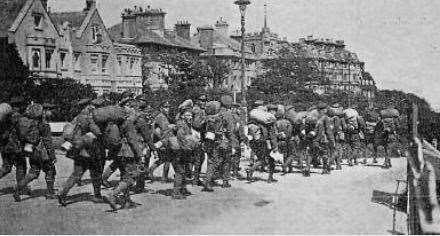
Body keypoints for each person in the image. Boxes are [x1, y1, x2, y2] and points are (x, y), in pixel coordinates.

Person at [56, 101, 104, 206]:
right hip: (90, 151)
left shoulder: (76, 118)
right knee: (96, 173)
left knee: (76, 174)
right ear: (87, 106)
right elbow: (97, 132)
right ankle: (97, 195)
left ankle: (63, 193)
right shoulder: (88, 118)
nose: (92, 107)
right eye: (90, 105)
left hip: (78, 150)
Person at [14, 103, 57, 202]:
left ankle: (17, 188)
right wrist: (52, 156)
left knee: (33, 172)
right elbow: (48, 142)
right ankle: (50, 193)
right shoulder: (44, 125)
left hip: (31, 150)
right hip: (43, 152)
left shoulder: (26, 123)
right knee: (50, 171)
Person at [202, 95, 236, 191]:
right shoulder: (227, 114)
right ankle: (224, 182)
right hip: (224, 142)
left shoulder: (214, 113)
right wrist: (233, 145)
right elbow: (230, 131)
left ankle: (208, 181)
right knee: (226, 161)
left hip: (212, 140)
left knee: (212, 161)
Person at [0, 98, 29, 194]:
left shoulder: (5, 116)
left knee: (6, 167)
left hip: (4, 146)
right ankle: (21, 188)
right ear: (20, 106)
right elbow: (22, 133)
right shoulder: (18, 117)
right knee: (21, 166)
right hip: (15, 147)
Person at [148, 101, 173, 182]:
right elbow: (162, 130)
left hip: (162, 141)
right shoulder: (161, 117)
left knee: (163, 159)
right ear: (161, 108)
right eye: (166, 107)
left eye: (168, 107)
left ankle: (150, 170)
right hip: (162, 141)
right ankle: (164, 178)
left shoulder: (164, 116)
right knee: (168, 159)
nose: (167, 109)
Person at [312, 102, 335, 175]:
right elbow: (328, 130)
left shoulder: (315, 117)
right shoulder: (325, 118)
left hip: (315, 137)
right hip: (323, 138)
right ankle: (325, 168)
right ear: (324, 110)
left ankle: (321, 166)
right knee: (325, 153)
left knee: (320, 152)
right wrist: (332, 140)